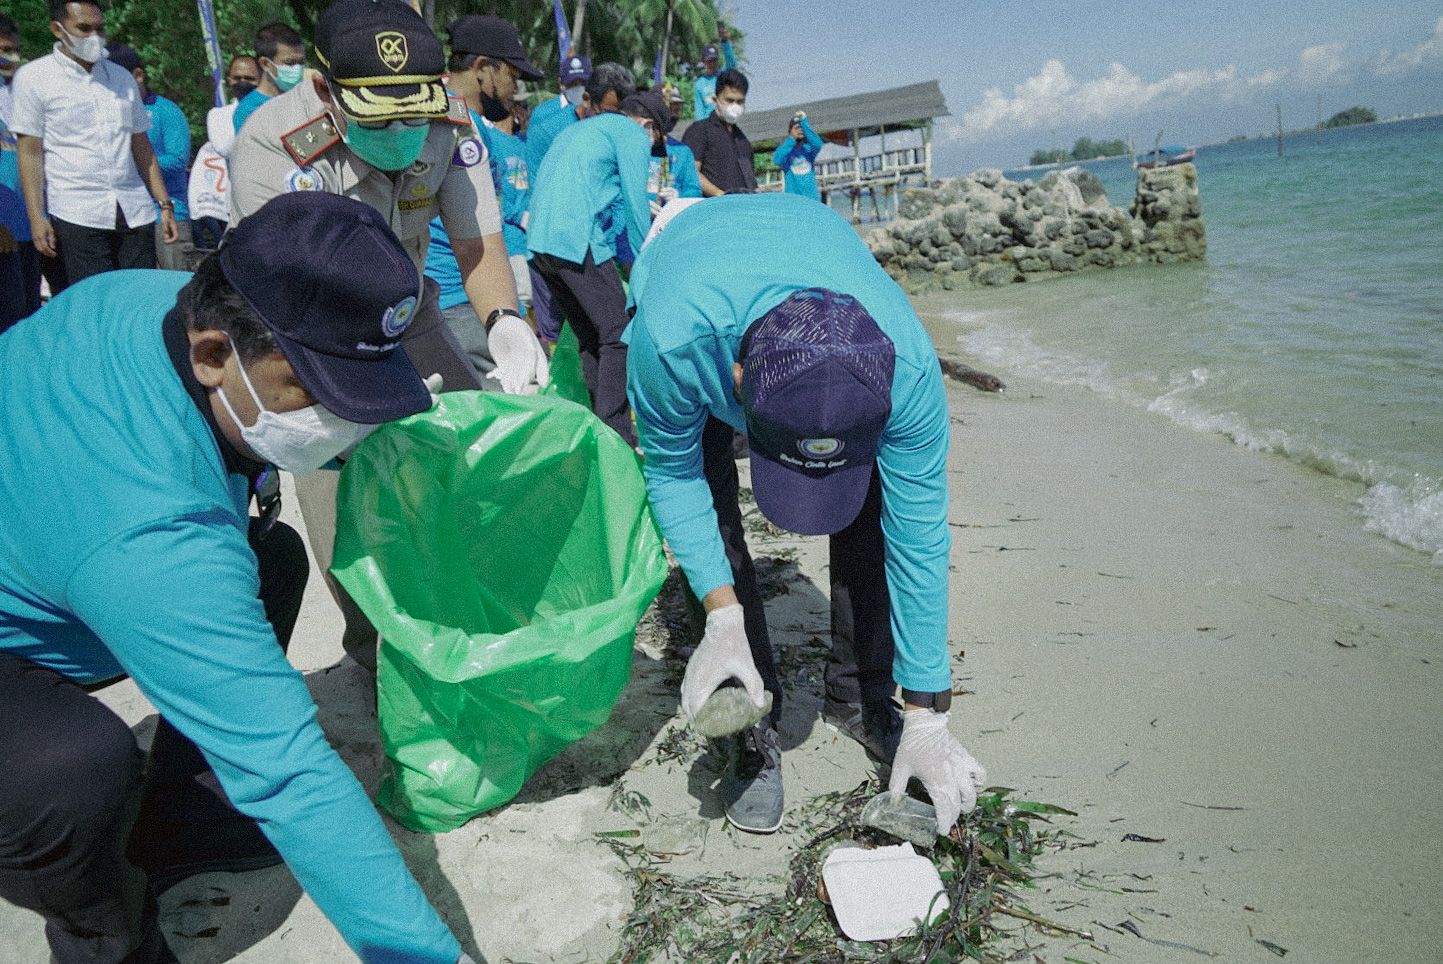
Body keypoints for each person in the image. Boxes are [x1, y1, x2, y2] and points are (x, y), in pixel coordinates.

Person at [0, 191, 476, 964]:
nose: (343, 425)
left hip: (48, 546)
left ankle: (182, 822)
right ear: (214, 353)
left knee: (271, 560)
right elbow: (287, 771)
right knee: (68, 773)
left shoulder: (148, 298)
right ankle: (100, 935)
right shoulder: (152, 537)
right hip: (43, 612)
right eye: (316, 392)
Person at [624, 193, 988, 835]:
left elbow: (919, 535)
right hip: (689, 259)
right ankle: (749, 718)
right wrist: (722, 614)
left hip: (814, 236)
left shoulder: (906, 369)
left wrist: (931, 711)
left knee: (877, 507)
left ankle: (863, 697)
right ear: (736, 380)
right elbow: (671, 473)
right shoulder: (674, 343)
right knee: (711, 499)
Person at [231, 0, 547, 669]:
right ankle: (377, 656)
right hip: (311, 340)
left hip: (413, 312)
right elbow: (285, 295)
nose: (405, 131)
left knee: (474, 465)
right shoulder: (274, 144)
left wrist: (506, 322)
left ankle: (483, 620)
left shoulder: (450, 124)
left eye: (414, 113)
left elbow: (477, 243)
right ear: (323, 89)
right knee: (344, 503)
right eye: (383, 118)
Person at [11, 0, 178, 291]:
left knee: (138, 295)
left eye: (99, 29)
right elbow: (30, 153)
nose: (94, 37)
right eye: (84, 29)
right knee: (94, 300)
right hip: (77, 209)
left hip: (133, 207)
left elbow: (141, 145)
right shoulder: (34, 78)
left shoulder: (121, 78)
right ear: (58, 29)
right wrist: (37, 217)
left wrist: (164, 204)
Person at [528, 78, 656, 446]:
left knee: (591, 336)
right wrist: (645, 271)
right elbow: (636, 209)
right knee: (620, 333)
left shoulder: (583, 129)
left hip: (540, 242)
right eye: (655, 140)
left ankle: (597, 430)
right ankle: (616, 434)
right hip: (573, 236)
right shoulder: (632, 134)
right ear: (647, 125)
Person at [427, 13, 542, 375]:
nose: (514, 91)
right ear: (483, 68)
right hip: (463, 300)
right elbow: (481, 234)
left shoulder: (444, 114)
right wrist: (510, 315)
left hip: (446, 298)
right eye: (512, 76)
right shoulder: (462, 127)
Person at [524, 60, 635, 346]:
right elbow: (539, 184)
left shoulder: (613, 126)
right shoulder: (548, 124)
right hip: (562, 238)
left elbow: (618, 194)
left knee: (592, 333)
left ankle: (593, 391)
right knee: (596, 332)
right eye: (572, 85)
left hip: (596, 242)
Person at [107, 42, 192, 270]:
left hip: (170, 216)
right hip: (130, 219)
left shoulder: (166, 110)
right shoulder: (112, 113)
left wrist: (134, 162)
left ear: (138, 75)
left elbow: (177, 161)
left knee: (178, 288)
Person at [0, 13, 41, 330]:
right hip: (3, 234)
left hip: (33, 231)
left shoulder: (26, 91)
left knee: (30, 322)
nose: (8, 57)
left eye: (13, 49)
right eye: (2, 49)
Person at [683, 67, 755, 197]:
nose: (735, 106)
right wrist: (720, 195)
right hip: (715, 211)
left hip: (745, 210)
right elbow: (691, 172)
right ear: (715, 100)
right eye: (729, 100)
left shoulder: (743, 140)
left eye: (740, 101)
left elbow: (750, 180)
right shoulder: (699, 131)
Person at [232, 21, 306, 136]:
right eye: (290, 63)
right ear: (265, 64)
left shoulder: (306, 98)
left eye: (301, 62)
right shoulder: (248, 111)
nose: (297, 68)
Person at [648, 84, 702, 205]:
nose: (672, 115)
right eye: (668, 109)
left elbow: (694, 190)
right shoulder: (635, 145)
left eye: (676, 110)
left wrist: (679, 197)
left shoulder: (683, 151)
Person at [205, 54, 260, 158]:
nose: (243, 82)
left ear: (260, 80)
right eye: (237, 78)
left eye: (249, 78)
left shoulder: (274, 108)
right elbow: (225, 149)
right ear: (229, 80)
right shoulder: (217, 115)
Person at [529, 52, 589, 131]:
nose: (580, 89)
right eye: (573, 84)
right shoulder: (543, 113)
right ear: (561, 83)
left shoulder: (595, 111)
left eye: (584, 83)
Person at [772, 111, 823, 201]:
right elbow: (776, 159)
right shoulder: (786, 151)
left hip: (812, 199)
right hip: (794, 200)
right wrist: (792, 139)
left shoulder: (808, 150)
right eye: (797, 128)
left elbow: (818, 144)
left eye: (801, 128)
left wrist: (804, 123)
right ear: (790, 132)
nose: (800, 130)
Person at [691, 24, 736, 121]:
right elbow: (699, 111)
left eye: (714, 60)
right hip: (710, 125)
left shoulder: (724, 76)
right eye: (709, 61)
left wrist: (725, 42)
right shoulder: (699, 84)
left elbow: (731, 63)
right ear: (704, 62)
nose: (712, 63)